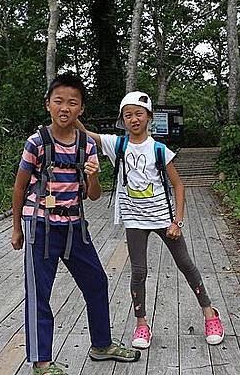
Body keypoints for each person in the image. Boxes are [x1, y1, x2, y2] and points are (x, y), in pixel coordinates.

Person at [11, 74, 140, 375]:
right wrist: (16, 227)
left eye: (72, 102)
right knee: (39, 293)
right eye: (59, 101)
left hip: (75, 226)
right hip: (40, 226)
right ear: (48, 105)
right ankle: (41, 363)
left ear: (80, 109)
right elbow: (19, 188)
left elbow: (93, 195)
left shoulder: (86, 144)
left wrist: (93, 174)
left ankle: (101, 344)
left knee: (96, 282)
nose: (65, 107)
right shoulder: (36, 143)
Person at [75, 91, 225, 350]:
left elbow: (178, 186)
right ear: (122, 120)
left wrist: (177, 222)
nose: (134, 119)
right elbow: (87, 135)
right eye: (128, 115)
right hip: (134, 219)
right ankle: (141, 324)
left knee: (186, 265)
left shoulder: (159, 150)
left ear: (149, 118)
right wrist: (74, 114)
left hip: (163, 219)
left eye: (139, 114)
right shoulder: (117, 145)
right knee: (138, 272)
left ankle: (210, 314)